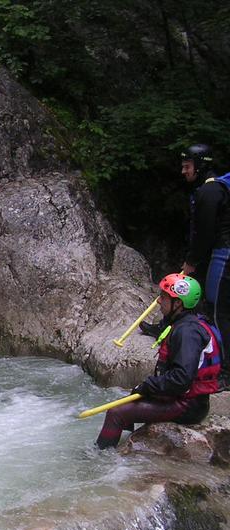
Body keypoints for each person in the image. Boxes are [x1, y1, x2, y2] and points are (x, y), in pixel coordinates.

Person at [97, 274, 219, 449]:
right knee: (132, 397)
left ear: (178, 304)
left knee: (116, 413)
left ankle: (99, 456)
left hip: (188, 405)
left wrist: (149, 386)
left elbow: (181, 379)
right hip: (186, 399)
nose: (159, 301)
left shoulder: (187, 333)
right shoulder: (186, 323)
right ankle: (126, 444)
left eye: (163, 297)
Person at [178, 143, 230, 385]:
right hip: (221, 252)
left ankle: (225, 374)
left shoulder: (209, 191)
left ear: (199, 166)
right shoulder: (216, 188)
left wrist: (191, 261)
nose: (183, 171)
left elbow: (205, 233)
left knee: (219, 312)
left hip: (224, 254)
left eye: (187, 166)